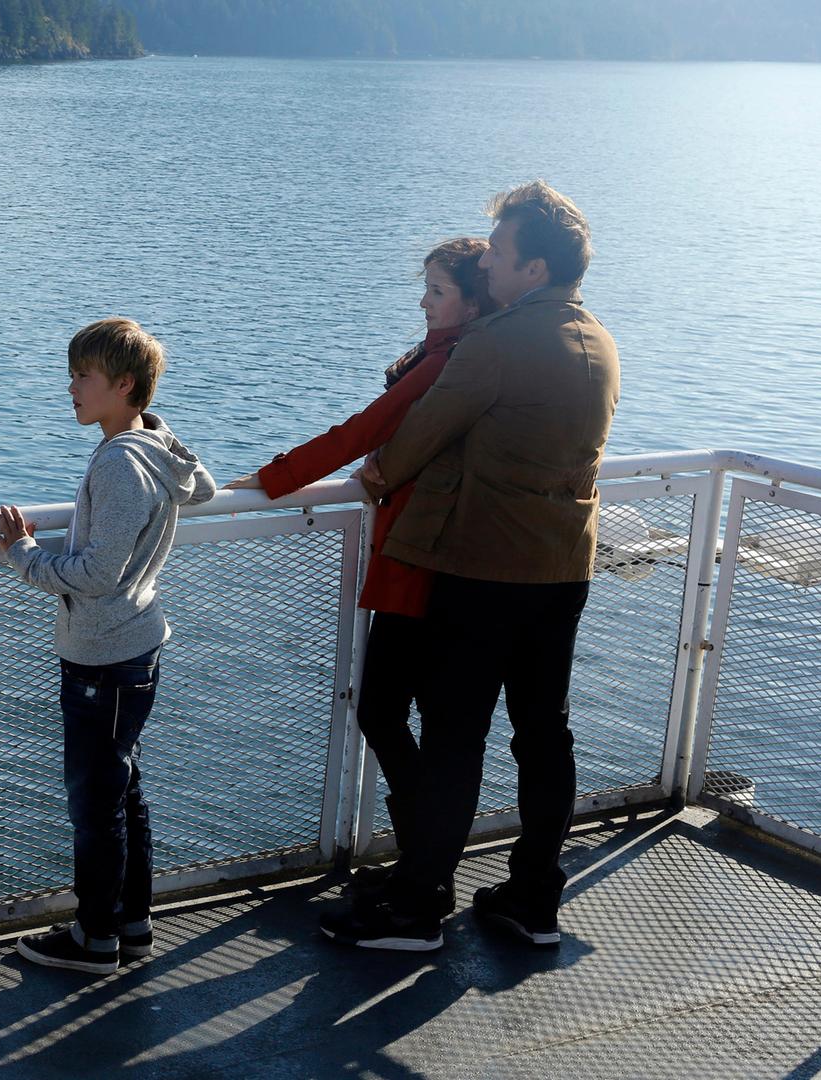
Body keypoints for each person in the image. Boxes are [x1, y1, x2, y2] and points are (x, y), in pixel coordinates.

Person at [319, 181, 619, 952]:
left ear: (535, 269)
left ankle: (418, 908)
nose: (486, 264)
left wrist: (380, 470)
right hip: (564, 570)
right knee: (543, 734)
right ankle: (533, 899)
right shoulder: (598, 341)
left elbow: (414, 440)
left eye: (500, 253)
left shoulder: (496, 344)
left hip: (484, 573)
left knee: (456, 739)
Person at [225, 238, 496, 906]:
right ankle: (422, 866)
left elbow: (362, 430)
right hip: (426, 557)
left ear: (473, 302)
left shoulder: (450, 362)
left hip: (422, 563)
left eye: (437, 291)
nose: (423, 301)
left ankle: (426, 872)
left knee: (385, 710)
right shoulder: (450, 354)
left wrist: (270, 479)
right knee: (407, 717)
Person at [0, 317, 215, 975]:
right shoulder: (149, 447)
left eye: (83, 377)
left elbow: (97, 573)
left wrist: (24, 553)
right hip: (136, 645)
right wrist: (153, 425)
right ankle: (131, 926)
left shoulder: (120, 462)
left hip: (104, 656)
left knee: (95, 804)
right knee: (123, 790)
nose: (71, 389)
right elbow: (202, 488)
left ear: (123, 385)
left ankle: (94, 939)